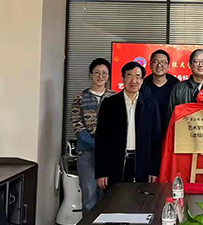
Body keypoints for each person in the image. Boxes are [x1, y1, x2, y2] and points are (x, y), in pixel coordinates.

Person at [95, 61, 163, 190]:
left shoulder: (150, 105)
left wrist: (154, 170)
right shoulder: (110, 104)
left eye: (138, 77)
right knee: (115, 199)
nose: (134, 81)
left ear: (142, 80)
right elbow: (101, 140)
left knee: (140, 199)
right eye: (129, 76)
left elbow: (156, 140)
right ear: (122, 79)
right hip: (115, 163)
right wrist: (101, 172)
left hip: (142, 164)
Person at [71, 58, 115, 213]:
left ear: (109, 75)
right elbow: (77, 124)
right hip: (87, 152)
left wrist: (107, 146)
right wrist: (95, 144)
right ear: (91, 74)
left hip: (109, 153)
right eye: (97, 72)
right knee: (89, 195)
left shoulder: (115, 97)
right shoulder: (80, 97)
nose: (100, 76)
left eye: (104, 73)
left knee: (107, 194)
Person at [165, 48, 203, 123]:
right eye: (196, 61)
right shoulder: (179, 88)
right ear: (190, 65)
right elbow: (171, 116)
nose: (200, 65)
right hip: (184, 129)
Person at [141, 49, 180, 131]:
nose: (159, 65)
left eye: (163, 62)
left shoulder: (176, 85)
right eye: (155, 62)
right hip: (149, 129)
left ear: (168, 66)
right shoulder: (142, 85)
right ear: (150, 65)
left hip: (171, 129)